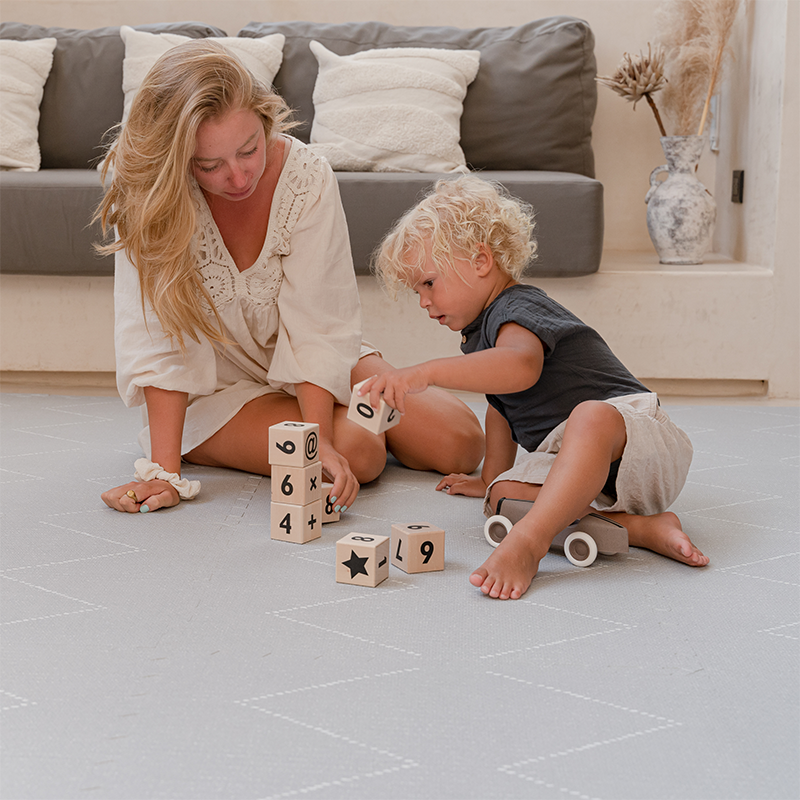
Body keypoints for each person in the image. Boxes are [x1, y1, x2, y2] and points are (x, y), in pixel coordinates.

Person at [97, 40, 484, 515]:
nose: (238, 178)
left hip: (301, 347)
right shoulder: (145, 190)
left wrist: (317, 435)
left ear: (265, 121)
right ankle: (239, 435)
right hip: (213, 386)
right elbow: (159, 337)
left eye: (248, 150)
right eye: (210, 165)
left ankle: (315, 416)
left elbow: (319, 319)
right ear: (179, 160)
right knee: (361, 452)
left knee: (459, 442)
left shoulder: (306, 176)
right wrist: (164, 471)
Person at [360, 175, 709, 600]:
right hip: (592, 477)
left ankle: (529, 542)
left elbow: (520, 369)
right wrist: (490, 477)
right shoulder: (480, 334)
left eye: (429, 283)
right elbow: (500, 407)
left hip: (636, 441)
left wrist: (425, 373)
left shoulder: (518, 306)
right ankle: (640, 528)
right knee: (500, 499)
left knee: (589, 416)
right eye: (417, 290)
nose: (423, 301)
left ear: (481, 261)